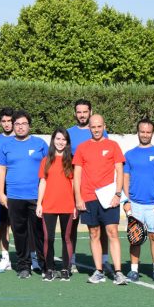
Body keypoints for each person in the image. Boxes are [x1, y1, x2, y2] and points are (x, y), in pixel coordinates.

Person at [73, 114, 126, 284]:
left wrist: (118, 194)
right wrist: (78, 198)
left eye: (99, 126)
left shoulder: (113, 146)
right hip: (88, 197)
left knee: (112, 232)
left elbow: (119, 171)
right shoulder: (82, 148)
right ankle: (98, 271)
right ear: (89, 128)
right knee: (93, 233)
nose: (96, 130)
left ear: (104, 126)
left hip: (109, 198)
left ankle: (118, 272)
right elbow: (77, 174)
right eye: (93, 127)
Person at [0, 111, 45, 280]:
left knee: (38, 232)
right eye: (17, 124)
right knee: (19, 232)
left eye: (23, 123)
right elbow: (1, 170)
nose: (20, 127)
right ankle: (23, 266)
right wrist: (1, 193)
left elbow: (49, 169)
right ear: (13, 126)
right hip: (14, 197)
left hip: (36, 197)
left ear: (29, 125)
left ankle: (43, 264)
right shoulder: (6, 146)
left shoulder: (40, 144)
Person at [121, 118, 154, 283]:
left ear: (152, 133)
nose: (145, 134)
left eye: (148, 132)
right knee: (135, 238)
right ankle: (134, 270)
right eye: (142, 131)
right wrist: (126, 201)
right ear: (138, 132)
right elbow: (125, 179)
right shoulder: (129, 155)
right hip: (135, 204)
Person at [68, 99, 111, 274]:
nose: (82, 115)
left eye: (85, 111)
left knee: (102, 226)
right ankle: (71, 260)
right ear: (75, 114)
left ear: (91, 112)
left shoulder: (102, 132)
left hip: (100, 190)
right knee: (72, 224)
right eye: (79, 112)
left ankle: (104, 260)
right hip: (76, 187)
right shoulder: (69, 133)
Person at [36, 129, 76, 282]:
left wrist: (74, 204)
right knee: (48, 238)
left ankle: (65, 269)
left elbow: (73, 183)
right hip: (49, 206)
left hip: (67, 205)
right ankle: (50, 269)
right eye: (58, 138)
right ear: (53, 140)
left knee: (66, 238)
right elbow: (43, 182)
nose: (60, 142)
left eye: (63, 139)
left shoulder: (72, 160)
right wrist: (39, 203)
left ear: (67, 142)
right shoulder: (46, 160)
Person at [0, 107, 16, 271]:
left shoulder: (23, 139)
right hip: (0, 190)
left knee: (20, 225)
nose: (7, 124)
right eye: (4, 121)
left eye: (10, 121)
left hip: (18, 191)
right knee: (2, 224)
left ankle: (28, 256)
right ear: (0, 122)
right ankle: (5, 256)